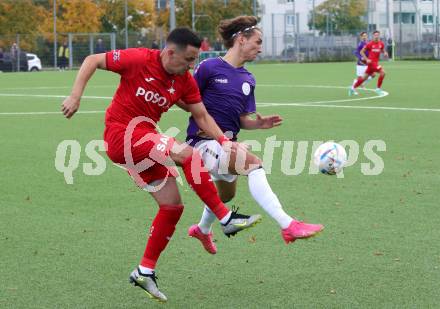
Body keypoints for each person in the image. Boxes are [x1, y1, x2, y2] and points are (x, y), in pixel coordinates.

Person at [61, 27, 261, 303]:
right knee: (188, 154)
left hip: (143, 145)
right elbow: (93, 60)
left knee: (172, 206)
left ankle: (145, 270)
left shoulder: (184, 80)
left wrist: (224, 142)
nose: (192, 66)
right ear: (170, 52)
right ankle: (225, 218)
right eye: (188, 59)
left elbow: (201, 115)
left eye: (195, 60)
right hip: (122, 134)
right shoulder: (139, 59)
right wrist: (75, 95)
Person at [176, 16, 324, 255]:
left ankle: (202, 229)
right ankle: (288, 225)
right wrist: (202, 118)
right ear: (241, 40)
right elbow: (183, 98)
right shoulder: (209, 67)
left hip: (227, 144)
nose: (260, 47)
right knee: (254, 165)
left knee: (225, 195)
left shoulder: (248, 79)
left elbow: (241, 119)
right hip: (201, 143)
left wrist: (258, 124)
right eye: (257, 41)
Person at [350, 30, 388, 96]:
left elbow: (382, 50)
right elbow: (361, 52)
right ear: (373, 36)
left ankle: (352, 88)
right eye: (375, 35)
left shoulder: (381, 43)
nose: (376, 36)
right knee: (383, 72)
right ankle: (378, 89)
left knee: (363, 78)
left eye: (378, 35)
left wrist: (385, 53)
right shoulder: (370, 44)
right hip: (371, 63)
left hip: (373, 64)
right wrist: (366, 59)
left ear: (379, 36)